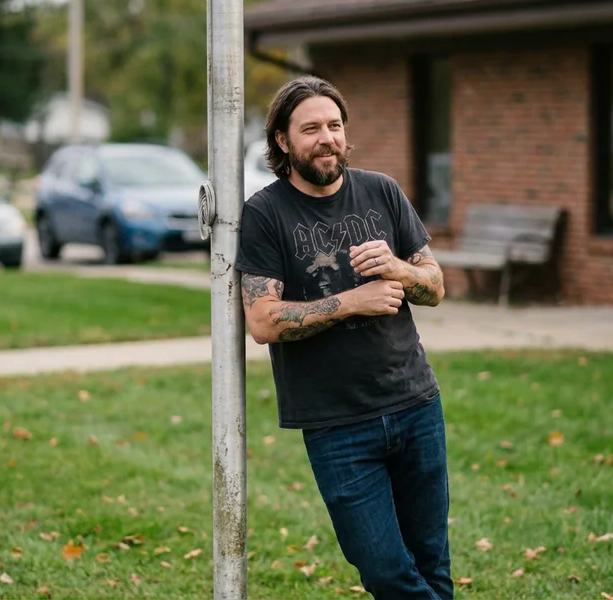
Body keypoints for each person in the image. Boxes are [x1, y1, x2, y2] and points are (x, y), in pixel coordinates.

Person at [235, 75, 453, 600]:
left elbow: (436, 286)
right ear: (282, 141)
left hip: (415, 403)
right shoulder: (265, 213)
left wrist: (399, 269)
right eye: (311, 128)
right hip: (336, 425)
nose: (327, 138)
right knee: (384, 570)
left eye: (334, 125)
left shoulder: (381, 191)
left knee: (431, 562)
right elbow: (263, 322)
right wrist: (352, 300)